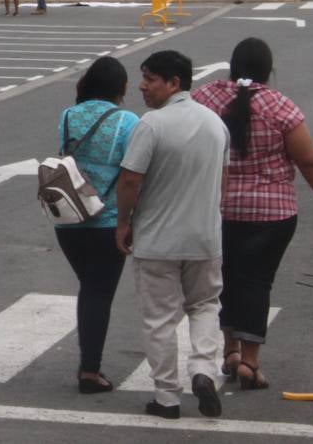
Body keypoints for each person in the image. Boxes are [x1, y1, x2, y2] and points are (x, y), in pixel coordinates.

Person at [191, 37, 313, 391]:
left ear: (233, 66)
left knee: (224, 279)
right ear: (267, 70)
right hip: (272, 215)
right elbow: (307, 159)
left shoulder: (206, 98)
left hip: (218, 210)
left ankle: (228, 352)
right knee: (258, 281)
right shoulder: (280, 106)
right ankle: (249, 361)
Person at [116, 50, 228, 420]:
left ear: (174, 83)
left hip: (158, 240)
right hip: (205, 238)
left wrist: (123, 222)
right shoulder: (216, 124)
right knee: (206, 305)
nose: (142, 86)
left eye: (150, 79)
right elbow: (222, 183)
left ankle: (166, 397)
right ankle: (203, 370)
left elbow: (131, 179)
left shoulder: (152, 124)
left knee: (159, 318)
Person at [53, 56, 139, 394]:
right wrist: (129, 220)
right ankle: (90, 370)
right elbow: (133, 174)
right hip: (107, 219)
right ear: (121, 88)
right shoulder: (128, 121)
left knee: (89, 287)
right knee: (98, 293)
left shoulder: (68, 116)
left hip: (69, 217)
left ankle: (88, 362)